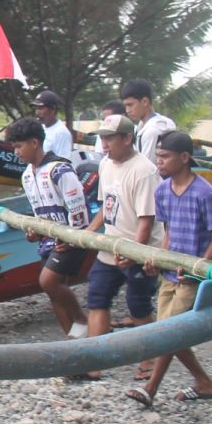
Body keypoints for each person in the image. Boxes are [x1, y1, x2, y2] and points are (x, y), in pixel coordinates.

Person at [125, 131, 212, 407]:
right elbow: (168, 232)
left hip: (193, 277)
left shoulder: (204, 192)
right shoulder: (162, 191)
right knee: (170, 331)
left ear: (184, 158)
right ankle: (204, 383)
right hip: (170, 273)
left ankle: (150, 388)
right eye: (158, 155)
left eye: (165, 156)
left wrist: (199, 268)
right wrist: (159, 258)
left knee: (170, 330)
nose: (160, 161)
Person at [83, 114, 163, 380]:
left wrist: (134, 252)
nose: (104, 144)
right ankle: (95, 360)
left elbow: (147, 220)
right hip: (111, 246)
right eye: (102, 138)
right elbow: (105, 207)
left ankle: (150, 357)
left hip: (138, 249)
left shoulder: (144, 171)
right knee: (97, 297)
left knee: (138, 304)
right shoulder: (105, 164)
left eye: (109, 138)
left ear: (127, 138)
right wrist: (90, 233)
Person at [6, 118, 91, 340]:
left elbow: (78, 209)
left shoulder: (60, 170)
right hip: (48, 239)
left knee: (48, 281)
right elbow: (39, 213)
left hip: (70, 237)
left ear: (35, 143)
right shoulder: (27, 175)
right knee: (53, 293)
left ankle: (82, 319)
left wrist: (71, 238)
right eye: (13, 147)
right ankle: (73, 343)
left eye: (19, 146)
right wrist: (36, 232)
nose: (16, 152)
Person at [121, 78, 176, 164]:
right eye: (126, 106)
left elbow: (147, 167)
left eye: (130, 105)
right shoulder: (144, 125)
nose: (127, 110)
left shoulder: (152, 131)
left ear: (144, 102)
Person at [30, 90, 73, 159]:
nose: (37, 112)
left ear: (53, 109)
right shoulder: (40, 128)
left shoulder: (61, 133)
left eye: (41, 108)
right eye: (36, 108)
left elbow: (63, 164)